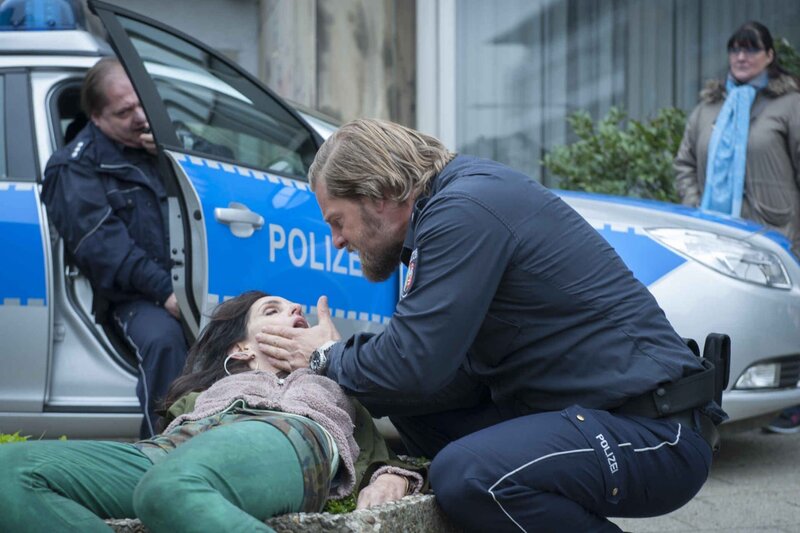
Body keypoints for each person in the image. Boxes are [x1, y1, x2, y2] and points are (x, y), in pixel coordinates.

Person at [256, 118, 728, 532]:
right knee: (406, 402)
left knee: (470, 475)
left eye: (338, 221)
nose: (337, 241)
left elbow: (412, 361)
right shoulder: (451, 206)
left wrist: (324, 356)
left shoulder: (465, 211)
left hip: (655, 432)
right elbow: (424, 375)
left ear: (379, 195)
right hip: (592, 411)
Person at [0, 291, 424, 532]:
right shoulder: (206, 395)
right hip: (174, 447)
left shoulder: (332, 385)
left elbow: (380, 454)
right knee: (8, 469)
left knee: (167, 489)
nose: (296, 311)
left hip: (286, 434)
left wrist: (330, 358)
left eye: (297, 311)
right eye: (272, 310)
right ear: (240, 347)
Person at [41, 57, 188, 438]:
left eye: (143, 103)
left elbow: (218, 164)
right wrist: (166, 293)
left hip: (189, 284)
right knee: (164, 342)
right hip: (136, 296)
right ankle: (161, 452)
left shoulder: (164, 142)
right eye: (125, 112)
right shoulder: (74, 168)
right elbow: (104, 249)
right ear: (96, 117)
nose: (141, 117)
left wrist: (174, 153)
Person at [674, 21, 800, 435]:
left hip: (776, 231)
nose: (741, 57)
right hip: (714, 237)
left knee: (785, 318)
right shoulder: (708, 108)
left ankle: (790, 403)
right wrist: (695, 209)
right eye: (735, 49)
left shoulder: (790, 106)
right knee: (730, 314)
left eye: (751, 49)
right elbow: (685, 165)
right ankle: (732, 397)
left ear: (769, 56)